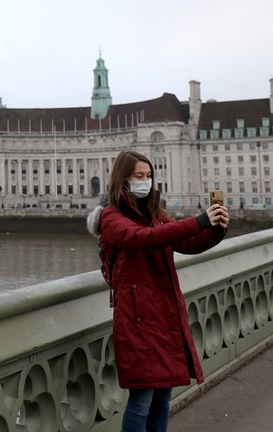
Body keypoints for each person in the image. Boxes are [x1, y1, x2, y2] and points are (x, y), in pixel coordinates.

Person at [89, 150, 229, 432]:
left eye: (149, 176)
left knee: (163, 398)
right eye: (139, 176)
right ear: (123, 180)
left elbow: (187, 243)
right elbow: (142, 239)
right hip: (137, 319)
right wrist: (199, 220)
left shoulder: (153, 214)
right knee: (141, 400)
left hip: (164, 314)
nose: (146, 181)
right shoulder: (111, 217)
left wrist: (216, 228)